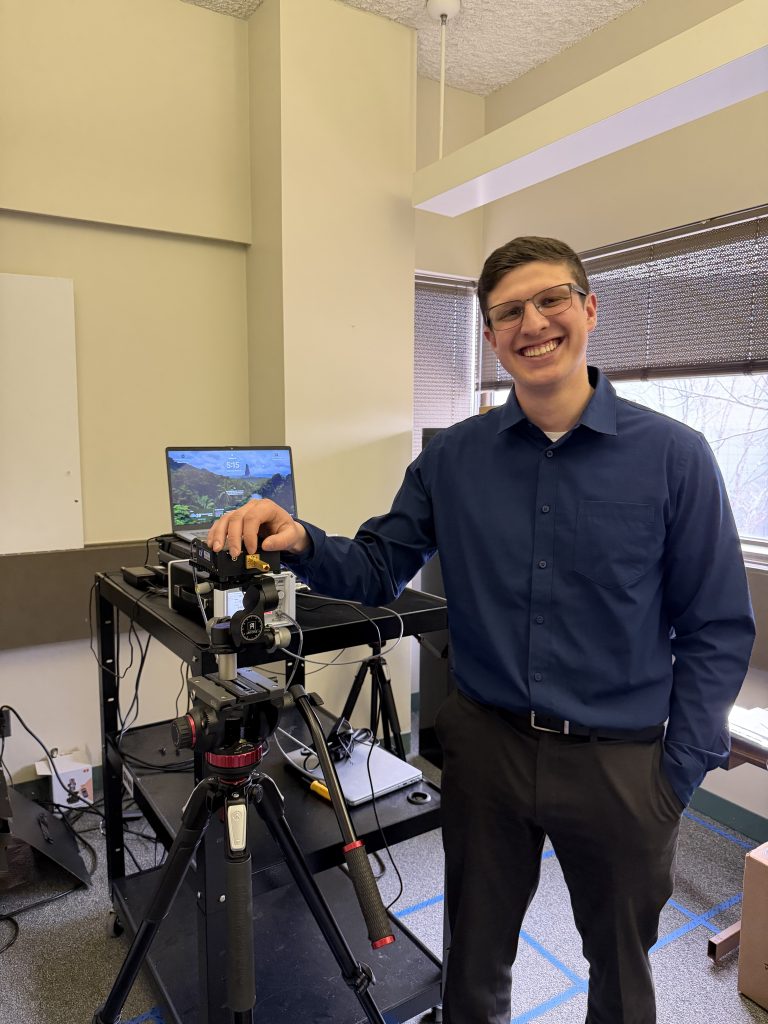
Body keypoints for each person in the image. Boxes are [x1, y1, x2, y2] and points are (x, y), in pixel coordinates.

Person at [207, 236, 755, 1024]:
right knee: (472, 965)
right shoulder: (453, 460)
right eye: (509, 312)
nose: (533, 323)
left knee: (622, 974)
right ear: (492, 339)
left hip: (621, 765)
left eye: (551, 300)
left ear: (590, 309)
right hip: (487, 753)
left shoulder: (676, 458)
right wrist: (299, 540)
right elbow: (376, 567)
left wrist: (676, 776)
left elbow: (717, 627)